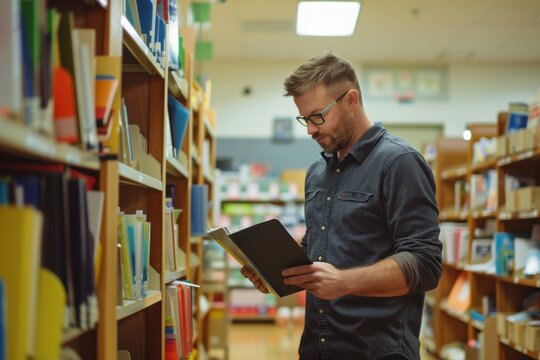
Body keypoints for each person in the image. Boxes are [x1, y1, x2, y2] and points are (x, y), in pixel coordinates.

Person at [241, 52, 442, 360]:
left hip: (378, 351)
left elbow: (425, 264)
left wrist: (344, 282)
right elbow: (315, 252)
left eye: (318, 116)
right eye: (305, 119)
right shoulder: (317, 173)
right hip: (316, 348)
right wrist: (273, 273)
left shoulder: (399, 163)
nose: (310, 129)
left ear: (351, 100)